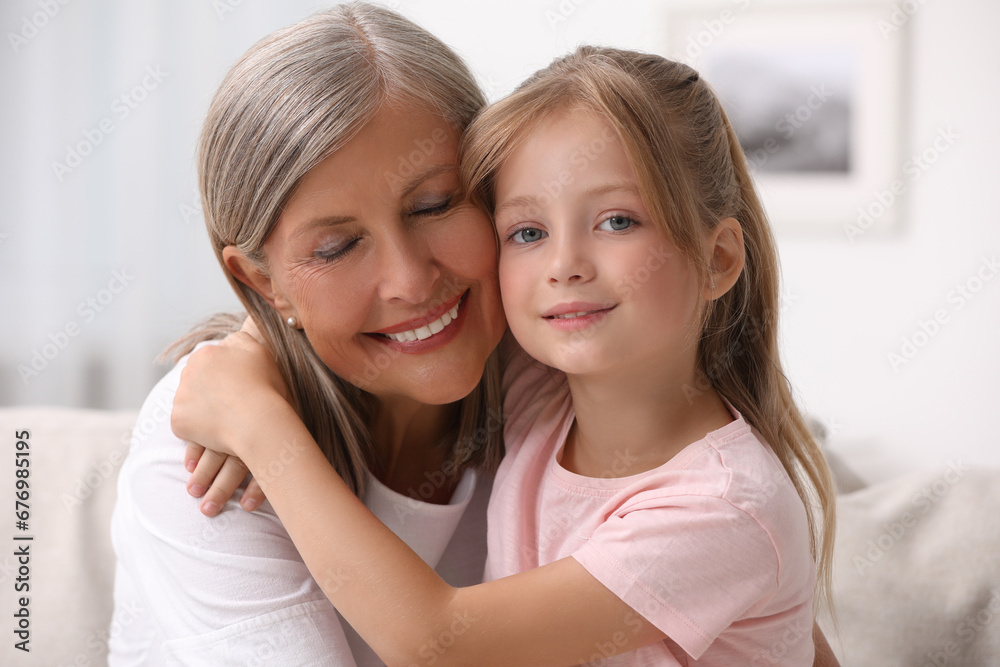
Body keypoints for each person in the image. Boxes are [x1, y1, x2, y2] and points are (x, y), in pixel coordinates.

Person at [173, 46, 839, 665]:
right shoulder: (544, 395)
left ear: (718, 258)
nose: (565, 265)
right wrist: (257, 341)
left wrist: (257, 423)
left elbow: (434, 639)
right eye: (527, 231)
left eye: (617, 221)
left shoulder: (723, 505)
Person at [107, 4, 507, 665]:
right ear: (264, 285)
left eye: (434, 205)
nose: (409, 279)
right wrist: (265, 432)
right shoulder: (206, 445)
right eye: (339, 246)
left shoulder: (551, 386)